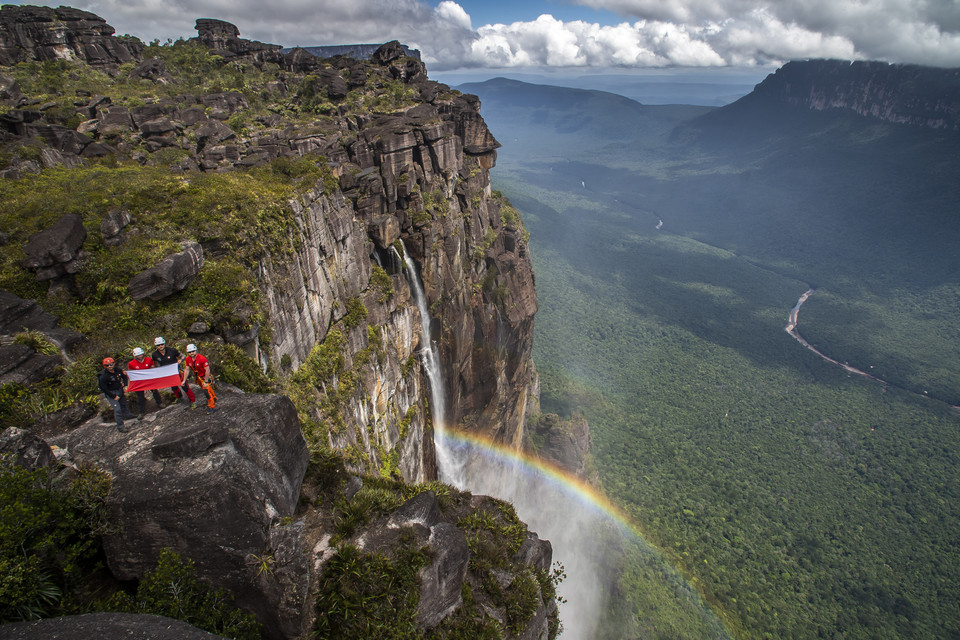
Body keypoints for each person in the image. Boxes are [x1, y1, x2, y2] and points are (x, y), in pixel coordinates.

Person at [151, 336, 196, 409]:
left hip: (177, 371)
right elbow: (156, 364)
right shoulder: (155, 355)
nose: (160, 346)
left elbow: (183, 356)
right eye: (158, 345)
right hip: (167, 373)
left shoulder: (172, 350)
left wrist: (180, 361)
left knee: (184, 386)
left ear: (164, 344)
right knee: (173, 386)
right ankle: (179, 397)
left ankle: (193, 400)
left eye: (161, 344)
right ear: (156, 346)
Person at [97, 357, 135, 432]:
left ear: (114, 363)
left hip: (119, 389)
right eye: (107, 365)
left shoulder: (118, 369)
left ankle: (128, 415)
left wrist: (125, 385)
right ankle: (120, 427)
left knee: (123, 403)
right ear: (104, 367)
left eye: (111, 364)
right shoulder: (103, 375)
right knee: (117, 409)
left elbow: (124, 376)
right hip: (111, 392)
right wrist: (113, 396)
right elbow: (103, 388)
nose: (110, 366)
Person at [128, 347, 163, 420]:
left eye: (140, 355)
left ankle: (159, 403)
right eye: (138, 355)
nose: (140, 356)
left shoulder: (148, 360)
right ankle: (141, 412)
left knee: (155, 391)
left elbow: (152, 368)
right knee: (140, 397)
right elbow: (131, 373)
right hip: (139, 382)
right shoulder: (131, 363)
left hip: (149, 380)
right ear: (135, 356)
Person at [182, 343, 216, 414]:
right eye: (190, 352)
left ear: (196, 350)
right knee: (207, 389)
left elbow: (207, 370)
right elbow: (187, 369)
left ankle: (211, 406)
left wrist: (206, 381)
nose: (191, 353)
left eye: (193, 351)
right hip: (198, 377)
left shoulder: (201, 358)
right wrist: (184, 380)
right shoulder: (188, 359)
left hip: (204, 376)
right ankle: (214, 397)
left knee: (206, 391)